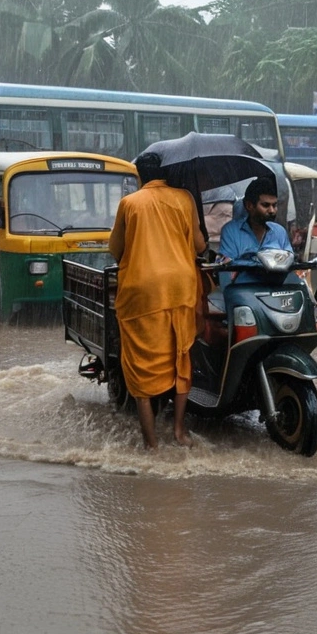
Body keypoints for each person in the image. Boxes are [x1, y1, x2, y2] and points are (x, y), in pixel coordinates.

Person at [109, 152, 206, 450]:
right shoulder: (185, 198)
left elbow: (116, 250)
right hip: (180, 288)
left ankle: (151, 444)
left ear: (139, 176)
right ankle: (179, 431)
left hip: (143, 293)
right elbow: (199, 246)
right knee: (180, 358)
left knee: (141, 367)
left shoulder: (130, 203)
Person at [216, 176, 292, 287]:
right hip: (243, 293)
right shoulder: (231, 231)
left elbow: (289, 261)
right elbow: (225, 267)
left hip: (275, 294)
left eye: (274, 205)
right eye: (265, 205)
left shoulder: (280, 232)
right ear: (249, 205)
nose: (272, 210)